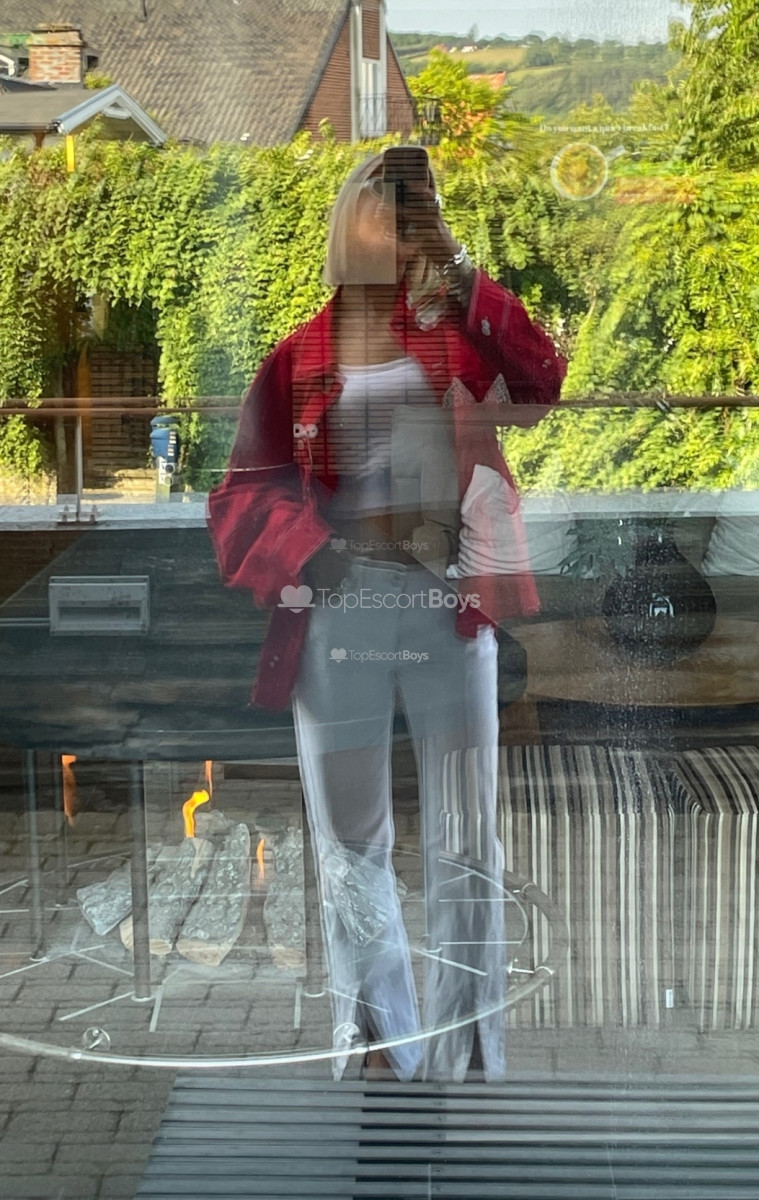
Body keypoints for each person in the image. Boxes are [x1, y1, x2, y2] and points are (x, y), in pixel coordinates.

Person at [208, 147, 566, 1081]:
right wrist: (312, 555)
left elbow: (541, 384)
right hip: (339, 606)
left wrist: (460, 264)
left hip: (450, 601)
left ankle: (467, 1045)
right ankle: (378, 1044)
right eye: (388, 209)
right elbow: (242, 491)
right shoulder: (298, 356)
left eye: (418, 212)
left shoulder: (454, 334)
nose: (403, 227)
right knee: (349, 839)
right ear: (347, 223)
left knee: (467, 833)